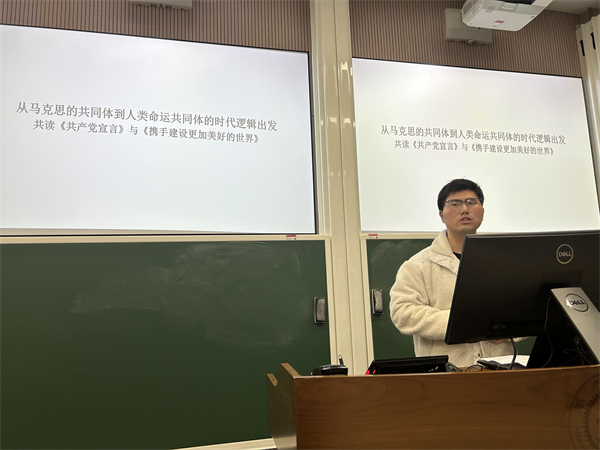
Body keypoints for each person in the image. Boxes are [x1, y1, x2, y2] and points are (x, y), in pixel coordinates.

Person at [389, 179, 514, 367]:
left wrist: (506, 329)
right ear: (441, 215)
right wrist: (462, 323)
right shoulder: (417, 265)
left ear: (482, 210)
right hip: (447, 372)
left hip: (502, 368)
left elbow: (525, 308)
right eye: (455, 204)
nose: (465, 209)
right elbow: (402, 312)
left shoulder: (502, 262)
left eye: (472, 202)